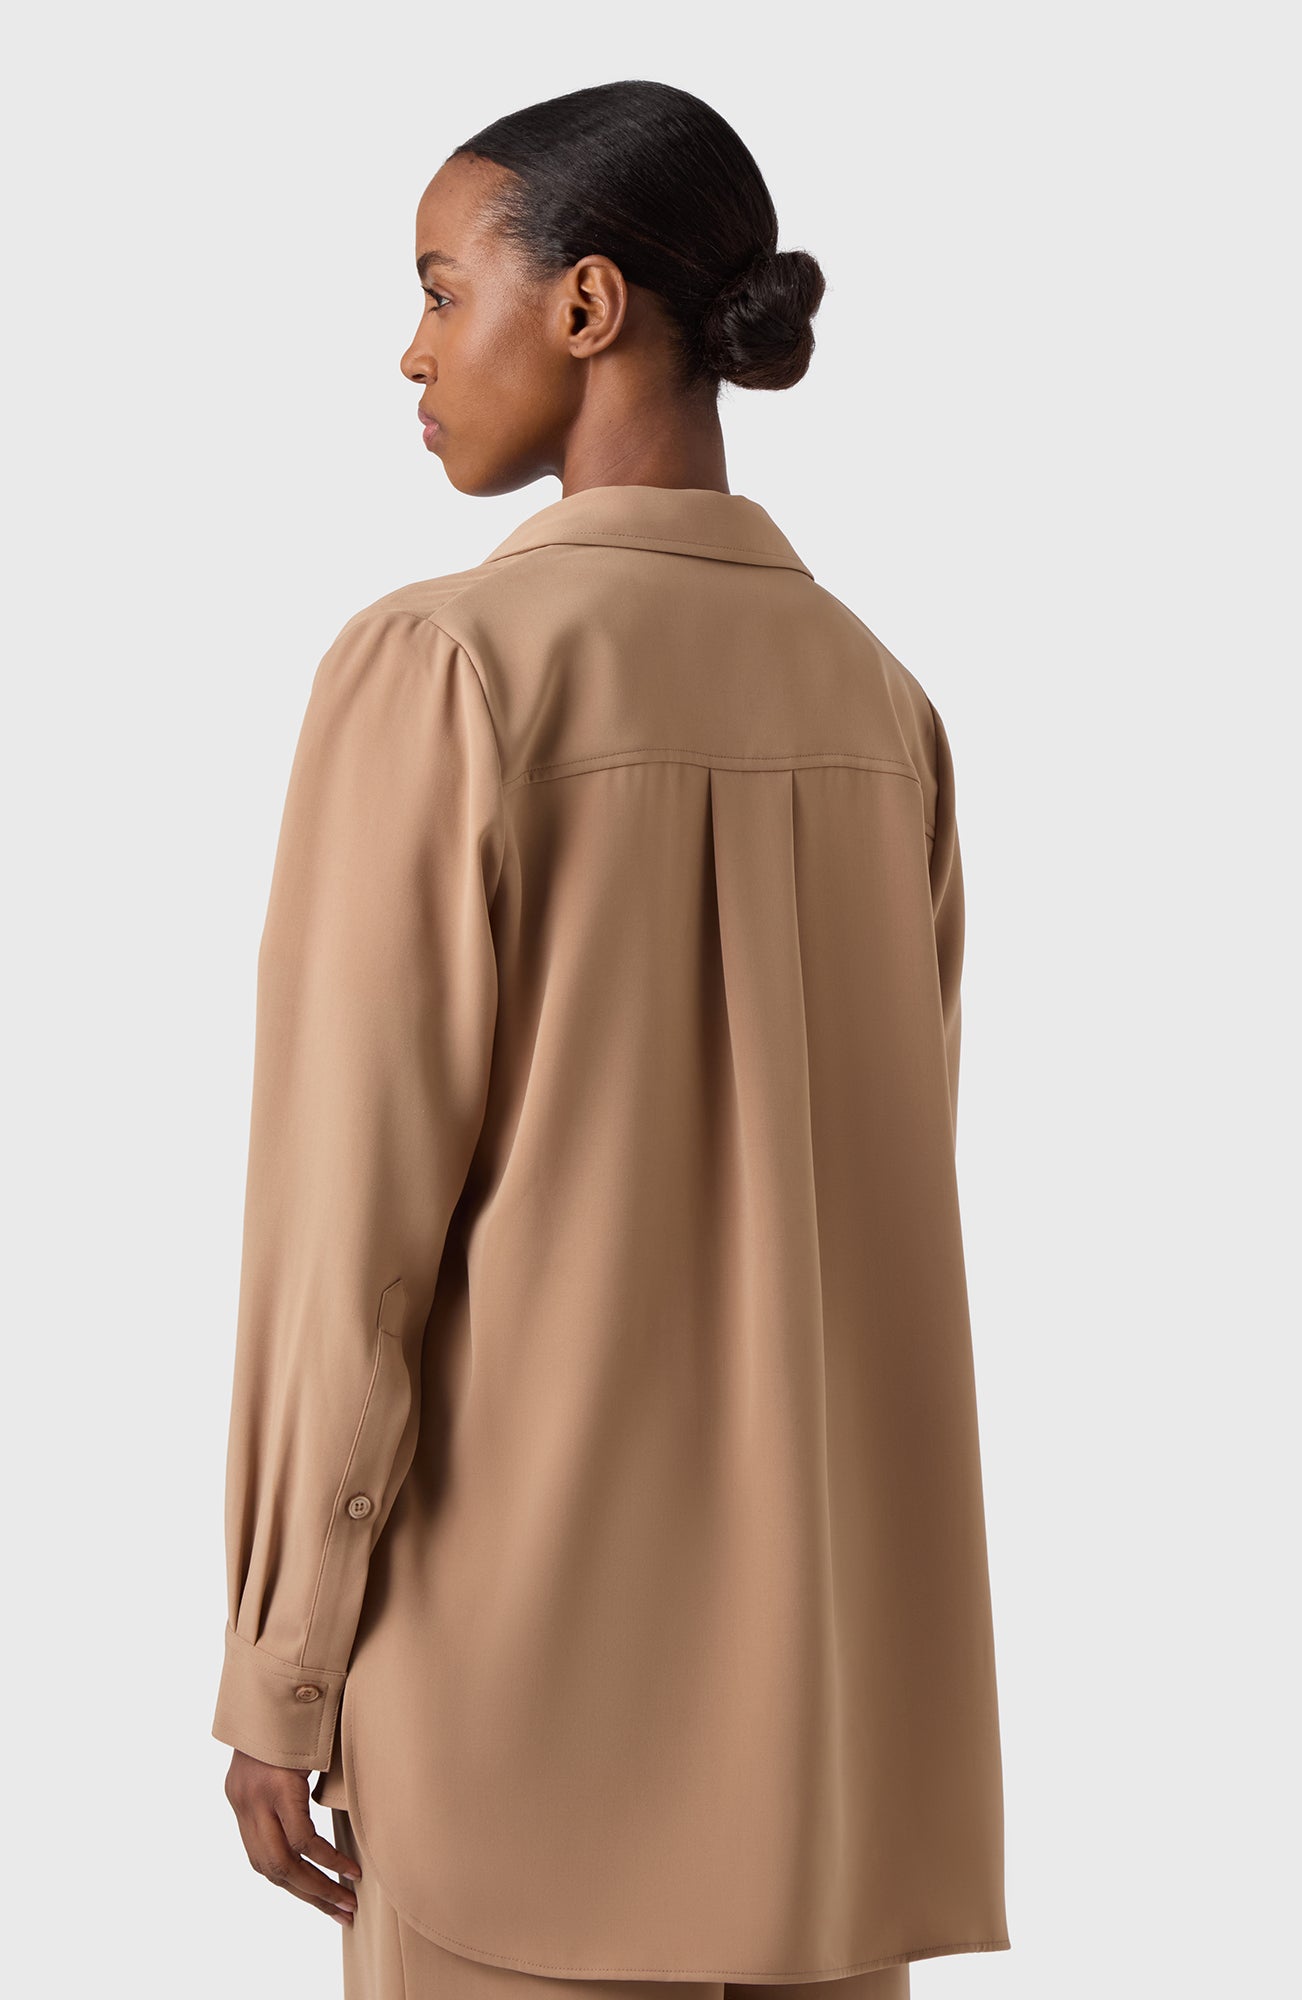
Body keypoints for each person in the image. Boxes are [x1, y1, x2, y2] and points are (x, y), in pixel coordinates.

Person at [211, 78, 1010, 2000]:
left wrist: (281, 1662)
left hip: (511, 1733)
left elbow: (351, 1224)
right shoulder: (881, 705)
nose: (411, 352)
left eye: (438, 288)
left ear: (583, 307)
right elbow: (873, 1225)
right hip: (823, 1762)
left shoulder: (443, 668)